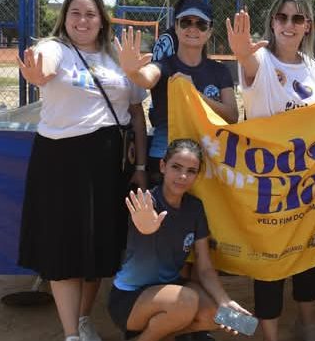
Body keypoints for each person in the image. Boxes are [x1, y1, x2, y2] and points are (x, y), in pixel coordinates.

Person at [16, 0, 148, 341]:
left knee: (99, 248)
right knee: (63, 248)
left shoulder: (117, 57)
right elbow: (42, 64)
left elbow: (136, 113)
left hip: (108, 164)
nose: (82, 20)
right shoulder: (56, 49)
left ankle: (85, 318)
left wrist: (139, 166)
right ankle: (72, 333)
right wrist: (37, 71)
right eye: (75, 13)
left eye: (90, 14)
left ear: (102, 19)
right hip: (61, 163)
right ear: (65, 18)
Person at [226, 0, 315, 341]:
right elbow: (250, 67)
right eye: (282, 17)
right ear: (272, 21)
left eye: (297, 18)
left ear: (307, 25)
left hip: (305, 184)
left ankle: (307, 322)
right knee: (269, 261)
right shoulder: (260, 60)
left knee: (308, 254)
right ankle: (270, 334)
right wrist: (241, 52)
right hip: (267, 183)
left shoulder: (313, 68)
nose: (288, 24)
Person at [108, 139, 252, 341]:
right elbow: (143, 228)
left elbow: (204, 269)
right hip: (130, 298)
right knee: (186, 301)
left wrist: (225, 302)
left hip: (172, 290)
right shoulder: (147, 204)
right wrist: (147, 228)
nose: (183, 176)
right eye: (176, 167)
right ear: (162, 166)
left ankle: (157, 333)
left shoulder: (195, 207)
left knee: (220, 317)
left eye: (191, 171)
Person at [117, 0, 238, 186]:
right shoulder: (163, 66)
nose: (193, 28)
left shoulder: (219, 71)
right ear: (176, 26)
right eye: (186, 22)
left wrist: (194, 94)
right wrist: (132, 71)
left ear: (209, 32)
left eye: (201, 24)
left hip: (207, 159)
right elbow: (146, 78)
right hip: (166, 159)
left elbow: (232, 115)